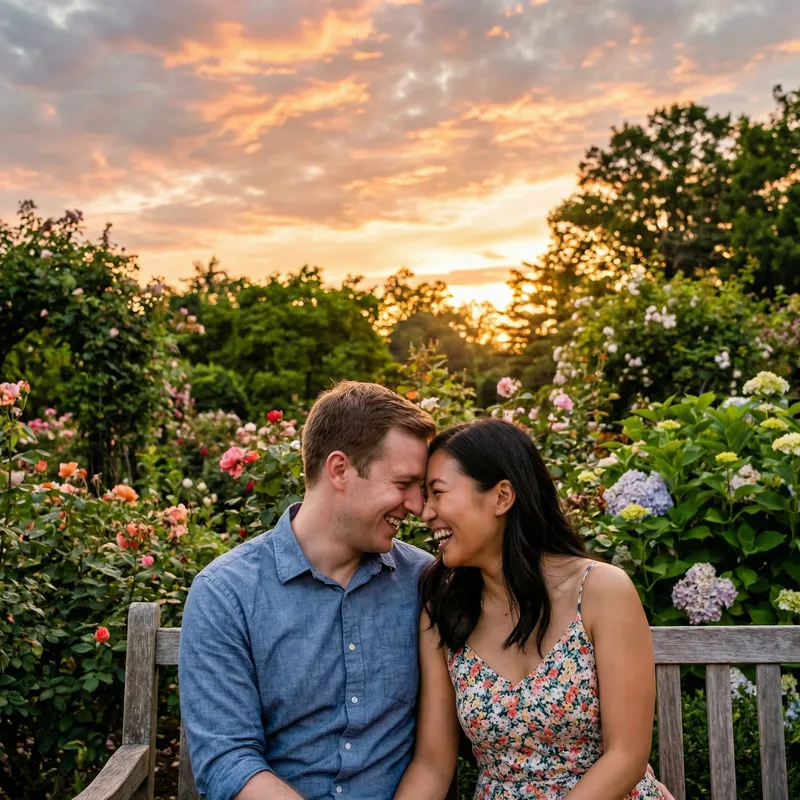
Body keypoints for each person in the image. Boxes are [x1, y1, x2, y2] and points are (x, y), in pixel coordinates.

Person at [179, 381, 436, 800]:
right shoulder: (226, 593)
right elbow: (228, 760)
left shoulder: (424, 581)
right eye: (404, 483)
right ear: (339, 470)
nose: (417, 505)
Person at [394, 418, 672, 800]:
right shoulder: (444, 608)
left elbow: (626, 756)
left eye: (437, 492)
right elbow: (432, 762)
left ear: (502, 496)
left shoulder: (601, 591)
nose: (425, 512)